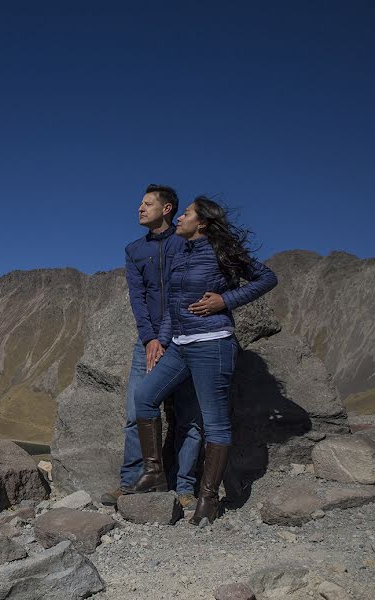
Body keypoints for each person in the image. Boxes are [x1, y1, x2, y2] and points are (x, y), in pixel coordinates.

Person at [131, 195, 278, 524]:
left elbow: (266, 278)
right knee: (144, 396)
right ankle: (154, 472)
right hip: (181, 346)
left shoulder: (221, 251)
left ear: (203, 223)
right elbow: (173, 307)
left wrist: (224, 301)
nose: (180, 219)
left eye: (186, 214)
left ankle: (208, 499)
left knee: (214, 423)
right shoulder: (178, 254)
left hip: (213, 344)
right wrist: (163, 342)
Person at [102, 184, 203, 508]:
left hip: (187, 338)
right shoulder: (134, 250)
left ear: (168, 209)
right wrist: (149, 338)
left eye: (147, 204)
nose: (140, 208)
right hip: (148, 343)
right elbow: (138, 298)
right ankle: (133, 481)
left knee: (190, 416)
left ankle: (185, 487)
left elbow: (183, 293)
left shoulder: (187, 242)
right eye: (140, 204)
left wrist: (163, 336)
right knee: (136, 412)